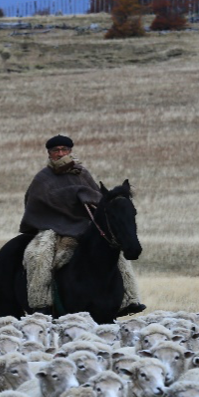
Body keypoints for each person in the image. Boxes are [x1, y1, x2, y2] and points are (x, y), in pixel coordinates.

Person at [19, 134, 145, 317]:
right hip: (53, 228)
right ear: (49, 154)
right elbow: (37, 203)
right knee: (38, 255)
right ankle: (41, 302)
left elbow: (97, 198)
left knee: (117, 253)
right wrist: (73, 193)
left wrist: (88, 196)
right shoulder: (43, 178)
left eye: (64, 150)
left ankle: (130, 300)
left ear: (70, 151)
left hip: (84, 226)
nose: (60, 153)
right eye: (56, 151)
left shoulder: (82, 173)